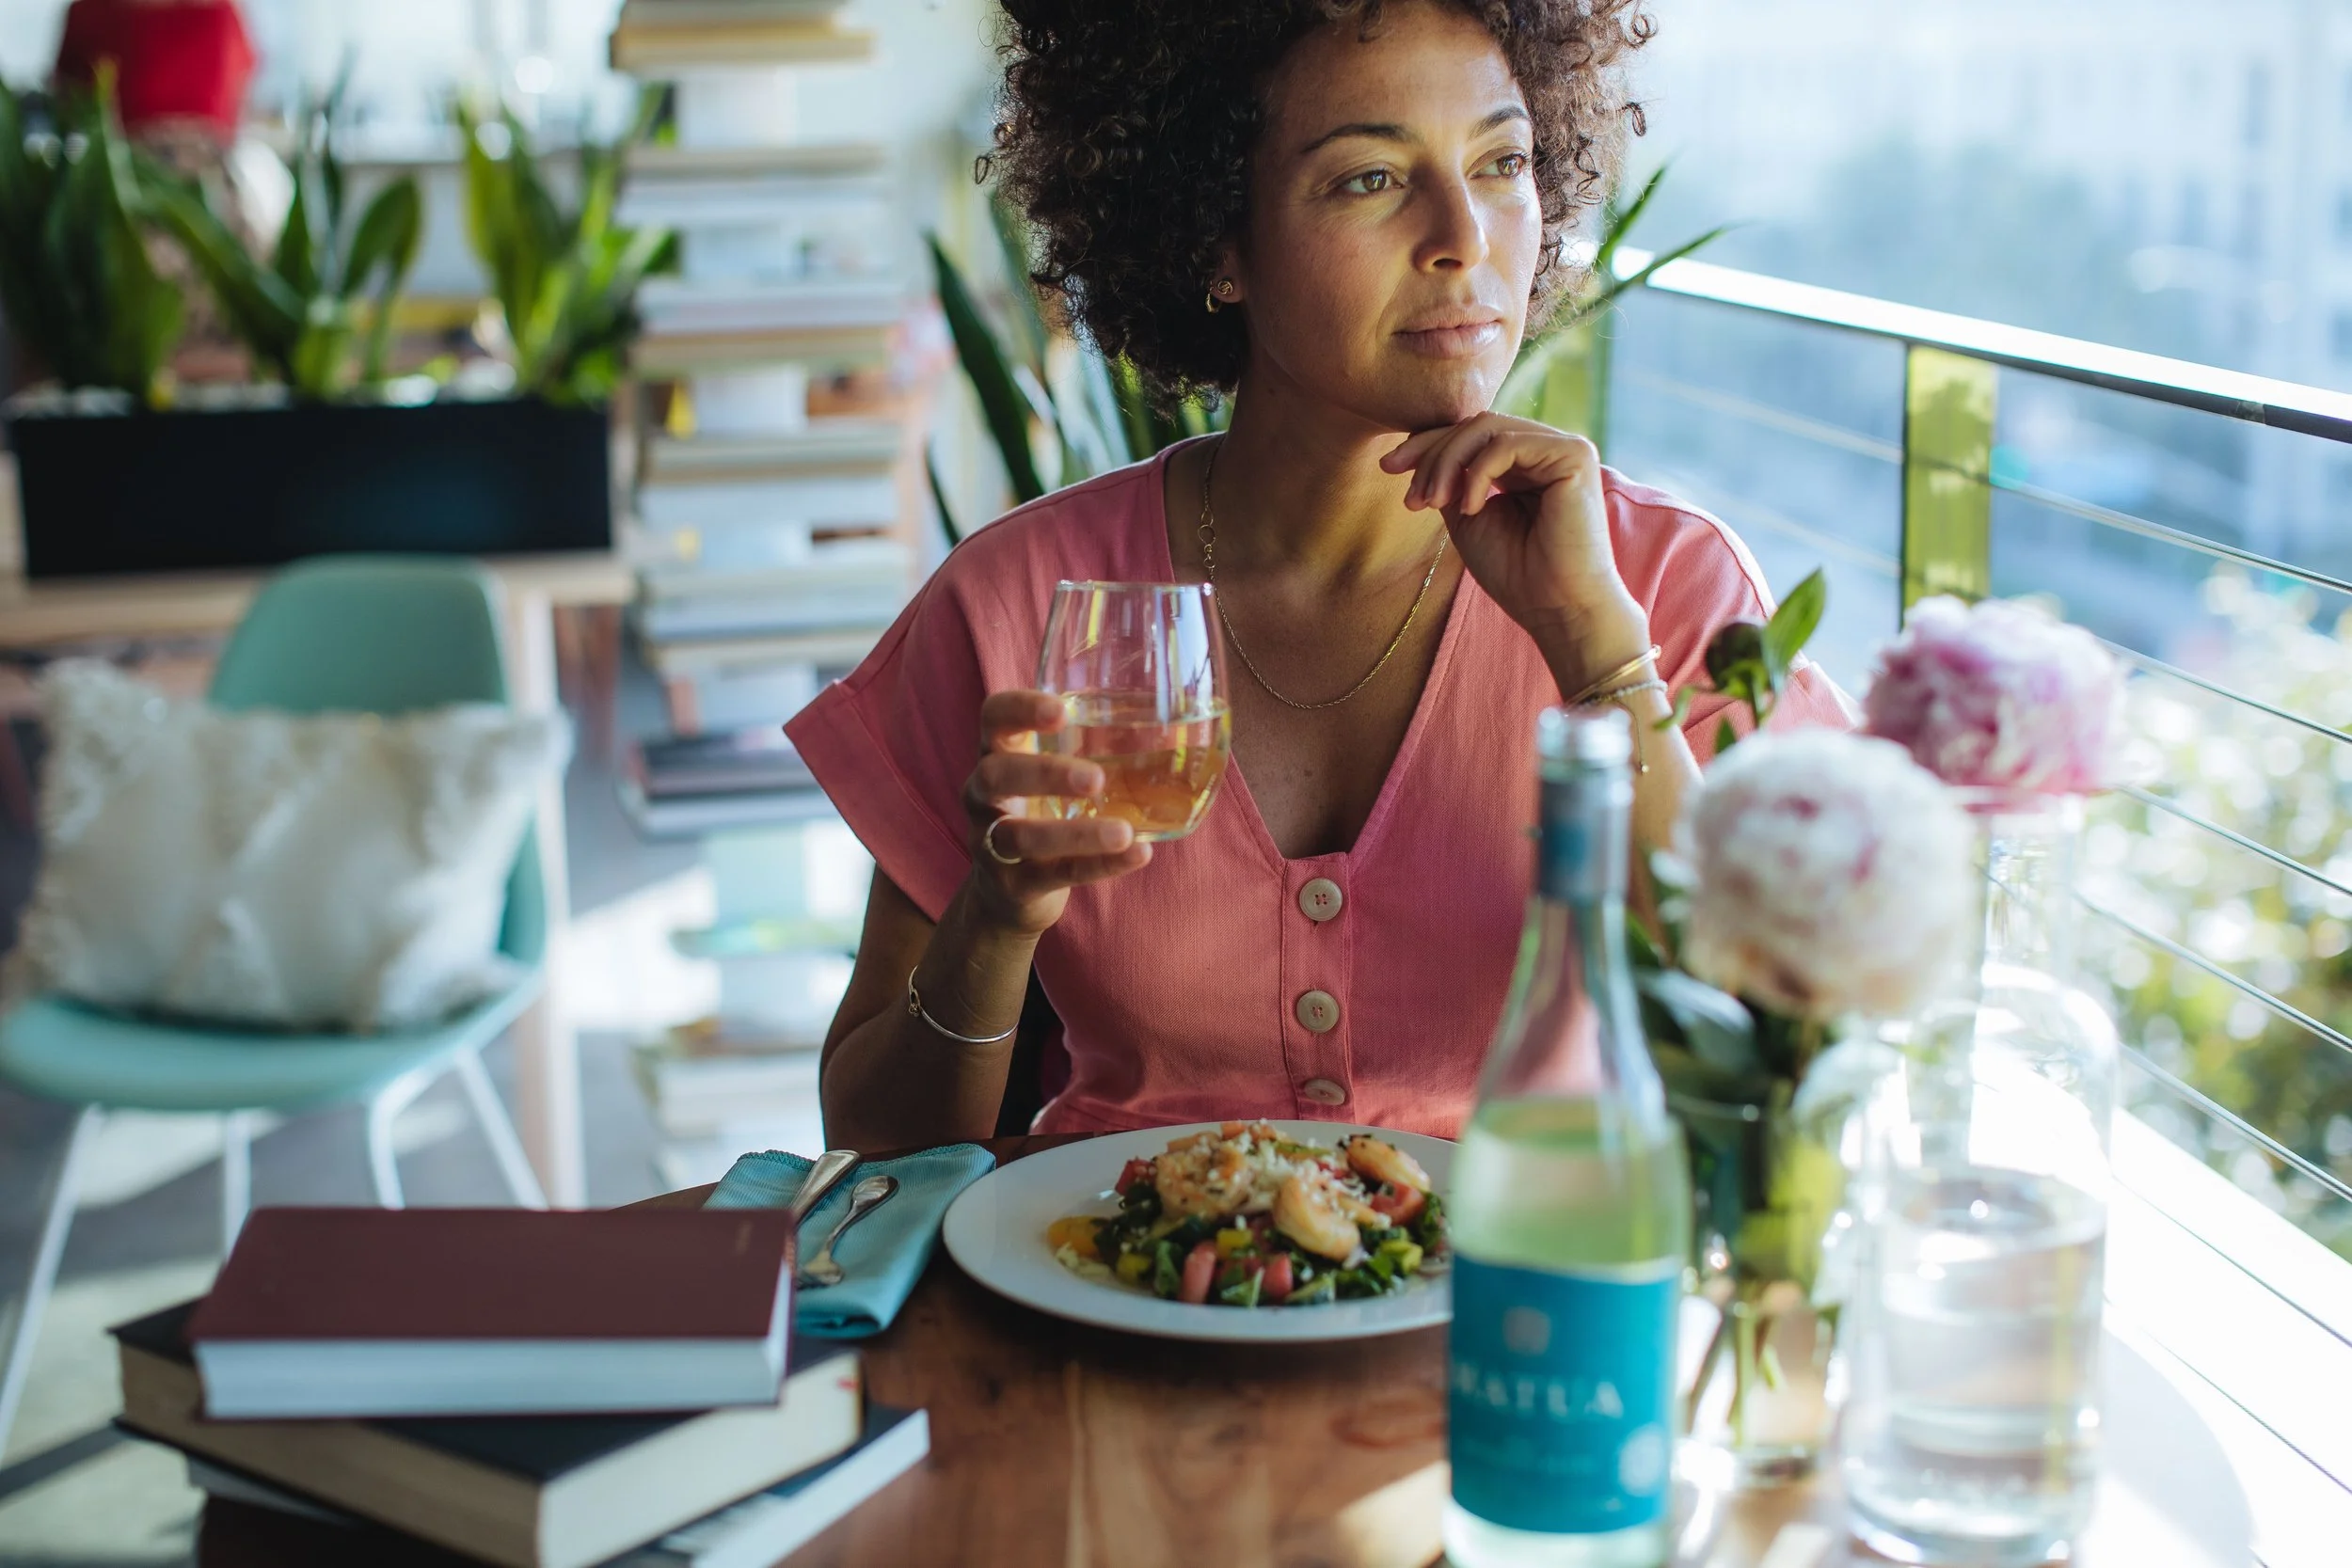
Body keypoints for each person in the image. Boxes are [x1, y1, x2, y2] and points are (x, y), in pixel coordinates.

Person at [792, 0, 1851, 1150]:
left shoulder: (1665, 588)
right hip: (1105, 1295)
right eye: (1369, 179)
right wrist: (994, 923)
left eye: (1501, 161)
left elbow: (1795, 1058)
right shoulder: (1022, 602)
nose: (1465, 235)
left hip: (1524, 1298)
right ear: (1215, 242)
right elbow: (872, 1142)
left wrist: (1601, 655)